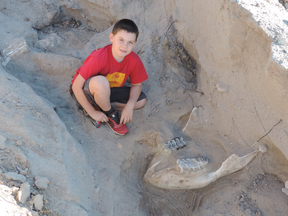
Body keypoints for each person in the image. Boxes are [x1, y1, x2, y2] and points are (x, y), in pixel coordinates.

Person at [69, 19, 148, 135]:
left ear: (135, 44)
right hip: (87, 90)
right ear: (112, 38)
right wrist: (92, 113)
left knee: (141, 101)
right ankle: (109, 113)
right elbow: (76, 86)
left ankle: (102, 106)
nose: (124, 46)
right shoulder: (99, 58)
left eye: (130, 42)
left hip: (109, 91)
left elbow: (137, 85)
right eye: (121, 40)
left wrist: (130, 106)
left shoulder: (134, 60)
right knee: (102, 83)